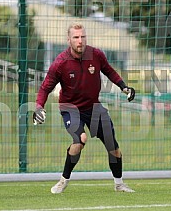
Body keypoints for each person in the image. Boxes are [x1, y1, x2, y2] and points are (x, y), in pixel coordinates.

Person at [33, 22, 136, 194]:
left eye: (83, 37)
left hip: (93, 107)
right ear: (69, 40)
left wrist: (124, 87)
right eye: (76, 37)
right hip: (70, 108)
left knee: (114, 147)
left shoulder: (96, 55)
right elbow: (45, 88)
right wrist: (39, 107)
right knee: (80, 140)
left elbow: (109, 71)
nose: (80, 40)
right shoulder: (60, 63)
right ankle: (63, 180)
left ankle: (119, 184)